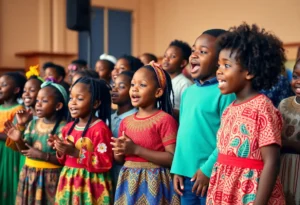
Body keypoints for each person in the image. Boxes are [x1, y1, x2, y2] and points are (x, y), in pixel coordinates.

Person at [206, 23, 286, 205]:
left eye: (226, 65)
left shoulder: (262, 107)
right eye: (218, 65)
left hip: (251, 194)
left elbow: (272, 162)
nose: (219, 71)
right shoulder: (229, 109)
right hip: (224, 191)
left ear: (249, 71)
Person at [171, 29, 236, 205]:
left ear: (219, 61)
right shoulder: (188, 92)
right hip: (186, 177)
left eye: (203, 52)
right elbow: (182, 134)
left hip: (210, 175)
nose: (194, 55)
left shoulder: (225, 93)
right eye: (194, 50)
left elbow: (227, 138)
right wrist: (178, 168)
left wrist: (207, 170)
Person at [112, 61, 180, 205]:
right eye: (132, 85)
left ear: (158, 92)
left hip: (155, 182)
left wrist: (136, 149)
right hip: (128, 180)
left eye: (142, 85)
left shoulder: (165, 120)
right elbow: (120, 159)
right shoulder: (126, 121)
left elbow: (172, 158)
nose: (135, 89)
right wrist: (119, 150)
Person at [50, 77, 113, 204]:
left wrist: (75, 152)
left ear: (95, 103)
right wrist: (60, 148)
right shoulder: (67, 128)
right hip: (69, 181)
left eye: (79, 99)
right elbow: (63, 160)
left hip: (91, 183)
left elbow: (105, 162)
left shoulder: (99, 129)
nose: (73, 103)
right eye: (71, 98)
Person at [4, 81, 68, 205]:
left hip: (52, 178)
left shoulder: (64, 128)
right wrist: (18, 139)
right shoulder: (33, 123)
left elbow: (65, 159)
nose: (38, 105)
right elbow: (24, 151)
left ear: (58, 106)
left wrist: (43, 156)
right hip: (30, 175)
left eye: (44, 101)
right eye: (37, 100)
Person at [6, 66, 44, 172]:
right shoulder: (20, 115)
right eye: (24, 90)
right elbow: (13, 145)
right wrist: (21, 125)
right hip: (24, 160)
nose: (26, 94)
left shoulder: (47, 118)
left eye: (31, 90)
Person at [0, 72, 26, 205]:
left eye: (4, 85)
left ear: (16, 90)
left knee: (7, 182)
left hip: (8, 151)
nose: (0, 88)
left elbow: (14, 135)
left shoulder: (18, 109)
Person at [110, 71, 137, 192]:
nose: (114, 89)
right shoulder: (110, 118)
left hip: (127, 174)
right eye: (113, 85)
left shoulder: (134, 119)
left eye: (121, 86)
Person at [279, 58, 300, 205]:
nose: (298, 81)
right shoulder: (284, 103)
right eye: (296, 76)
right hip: (283, 168)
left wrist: (282, 144)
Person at [162, 40, 193, 120]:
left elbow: (187, 112)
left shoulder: (185, 84)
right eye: (165, 56)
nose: (166, 59)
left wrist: (162, 109)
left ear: (183, 63)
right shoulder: (161, 81)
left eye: (173, 56)